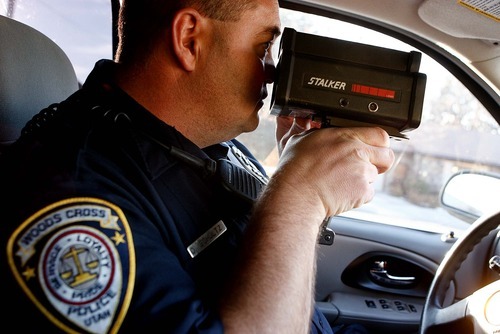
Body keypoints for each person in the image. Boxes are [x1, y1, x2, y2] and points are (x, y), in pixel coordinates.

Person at [0, 0, 394, 333]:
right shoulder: (74, 200)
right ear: (189, 38)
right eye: (263, 46)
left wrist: (298, 167)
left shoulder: (213, 147)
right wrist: (301, 194)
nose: (272, 71)